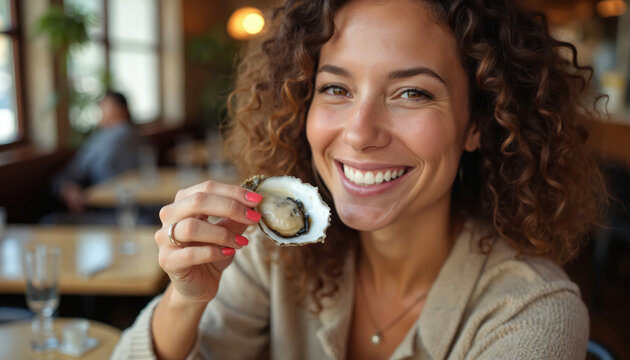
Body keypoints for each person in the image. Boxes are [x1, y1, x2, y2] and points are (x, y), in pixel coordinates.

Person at [114, 0, 607, 359]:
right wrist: (185, 299)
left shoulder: (532, 315)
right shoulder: (271, 253)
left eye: (412, 93)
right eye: (335, 88)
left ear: (478, 122)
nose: (360, 133)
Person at [51, 90, 141, 214]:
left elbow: (74, 172)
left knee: (51, 221)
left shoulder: (108, 138)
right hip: (137, 212)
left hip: (107, 212)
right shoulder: (137, 134)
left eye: (104, 105)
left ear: (121, 109)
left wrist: (64, 187)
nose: (100, 110)